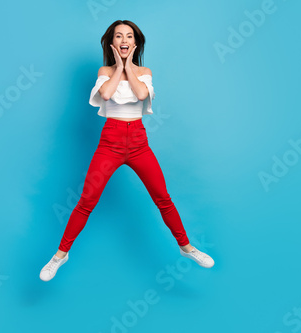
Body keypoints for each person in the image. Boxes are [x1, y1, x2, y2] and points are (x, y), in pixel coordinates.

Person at [40, 20, 214, 282]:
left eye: (129, 36)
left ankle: (187, 248)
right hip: (110, 142)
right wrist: (118, 67)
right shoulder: (104, 71)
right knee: (87, 200)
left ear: (135, 43)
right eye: (119, 36)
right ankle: (60, 256)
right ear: (112, 43)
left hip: (138, 144)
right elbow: (107, 95)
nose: (124, 40)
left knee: (163, 198)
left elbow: (143, 94)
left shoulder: (144, 71)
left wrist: (129, 68)